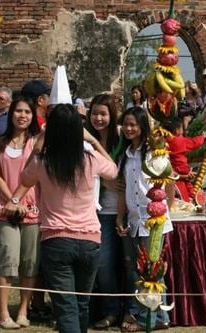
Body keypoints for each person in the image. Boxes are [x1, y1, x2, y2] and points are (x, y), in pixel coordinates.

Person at [3, 104, 118, 333]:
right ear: (79, 130)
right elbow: (113, 171)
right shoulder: (90, 158)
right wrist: (94, 142)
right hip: (90, 240)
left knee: (66, 307)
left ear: (51, 131)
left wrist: (38, 146)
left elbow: (24, 179)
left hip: (56, 240)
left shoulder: (43, 161)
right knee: (81, 304)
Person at [116, 107, 174, 331]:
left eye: (134, 125)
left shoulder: (154, 153)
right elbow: (123, 190)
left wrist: (164, 209)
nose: (129, 129)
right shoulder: (125, 155)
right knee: (136, 270)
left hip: (154, 221)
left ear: (142, 127)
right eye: (126, 125)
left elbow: (168, 183)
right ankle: (141, 312)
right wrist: (120, 218)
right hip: (133, 221)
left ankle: (156, 318)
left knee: (153, 270)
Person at [0, 96, 41, 329]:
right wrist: (12, 199)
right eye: (18, 111)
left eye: (27, 112)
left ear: (32, 116)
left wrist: (20, 199)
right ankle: (3, 314)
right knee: (7, 259)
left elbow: (35, 173)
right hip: (4, 210)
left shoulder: (37, 142)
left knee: (29, 263)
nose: (23, 115)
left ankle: (22, 311)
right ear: (11, 114)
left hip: (32, 210)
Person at [86, 94, 124, 329]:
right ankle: (98, 308)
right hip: (90, 208)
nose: (98, 118)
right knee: (96, 263)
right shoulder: (83, 139)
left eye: (103, 114)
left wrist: (95, 143)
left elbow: (116, 173)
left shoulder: (121, 136)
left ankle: (112, 310)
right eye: (94, 113)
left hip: (114, 209)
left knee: (108, 262)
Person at [163, 118, 205, 201]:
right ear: (177, 130)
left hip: (173, 169)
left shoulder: (166, 141)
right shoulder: (178, 141)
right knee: (184, 193)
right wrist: (202, 137)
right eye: (182, 128)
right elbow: (193, 143)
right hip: (181, 169)